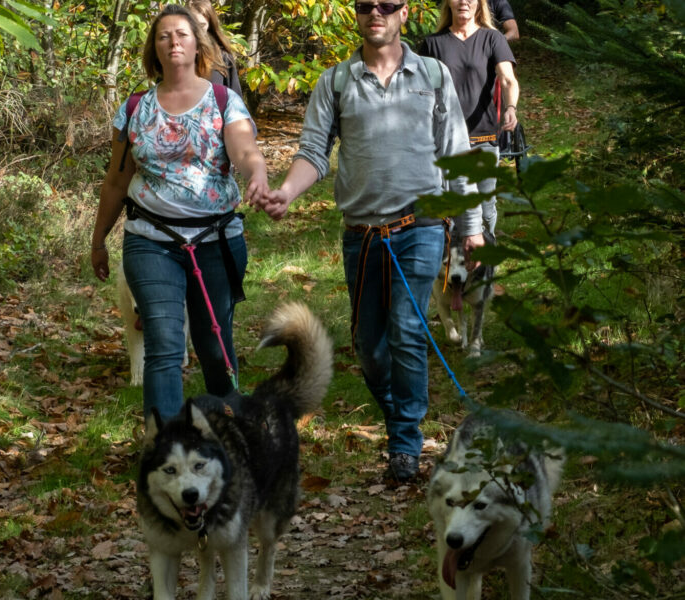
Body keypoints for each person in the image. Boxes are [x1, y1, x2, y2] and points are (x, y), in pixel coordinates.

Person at [256, 1, 485, 482]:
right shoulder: (335, 82)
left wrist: (472, 228)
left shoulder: (434, 75)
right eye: (365, 5)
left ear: (405, 12)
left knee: (407, 329)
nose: (375, 12)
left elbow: (457, 154)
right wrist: (286, 193)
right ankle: (402, 414)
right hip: (361, 234)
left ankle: (405, 443)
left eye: (386, 5)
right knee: (369, 347)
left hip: (420, 226)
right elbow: (313, 153)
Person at [90, 4, 269, 420]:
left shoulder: (224, 100)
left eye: (182, 35)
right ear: (154, 48)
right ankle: (166, 449)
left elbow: (245, 151)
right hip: (151, 241)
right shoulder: (136, 107)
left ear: (197, 44)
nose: (173, 42)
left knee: (213, 342)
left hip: (216, 240)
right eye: (164, 35)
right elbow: (116, 182)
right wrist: (98, 240)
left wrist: (257, 174)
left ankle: (229, 430)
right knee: (165, 341)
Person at [419, 0, 519, 235]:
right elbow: (420, 90)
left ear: (479, 4)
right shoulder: (433, 44)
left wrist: (510, 107)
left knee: (485, 207)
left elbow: (508, 79)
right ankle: (456, 265)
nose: (464, 1)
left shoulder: (493, 39)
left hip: (483, 136)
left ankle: (486, 264)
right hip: (445, 140)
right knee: (453, 210)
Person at [186, 0, 244, 97]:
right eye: (192, 25)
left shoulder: (222, 57)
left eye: (201, 25)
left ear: (209, 24)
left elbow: (236, 103)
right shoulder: (174, 55)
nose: (197, 30)